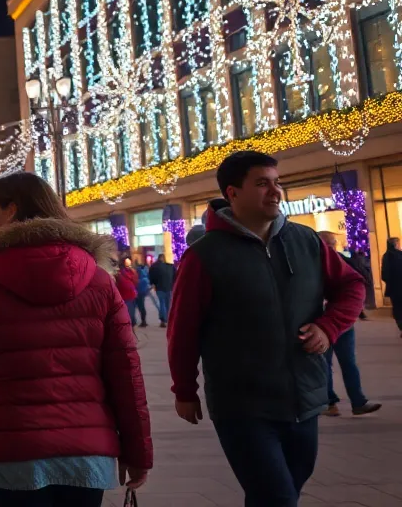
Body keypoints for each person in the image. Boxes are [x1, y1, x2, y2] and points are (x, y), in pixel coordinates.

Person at [0, 172, 151, 506]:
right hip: (86, 449)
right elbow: (126, 373)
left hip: (8, 448)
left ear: (12, 210)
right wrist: (138, 451)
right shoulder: (99, 281)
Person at [169, 151, 365, 506]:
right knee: (276, 497)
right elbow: (182, 329)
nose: (275, 191)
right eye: (262, 183)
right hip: (242, 405)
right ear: (232, 193)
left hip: (304, 397)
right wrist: (184, 388)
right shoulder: (203, 256)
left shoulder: (306, 241)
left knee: (282, 490)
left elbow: (353, 286)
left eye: (277, 182)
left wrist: (329, 327)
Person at [316, 232, 381, 417]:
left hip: (343, 322)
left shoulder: (344, 262)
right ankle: (329, 403)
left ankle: (358, 402)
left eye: (333, 243)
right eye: (327, 243)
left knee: (349, 362)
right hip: (321, 322)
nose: (332, 246)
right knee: (324, 364)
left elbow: (355, 284)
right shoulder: (312, 264)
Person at [382, 237, 402, 336]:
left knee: (397, 308)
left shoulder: (386, 256)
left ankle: (401, 327)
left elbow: (384, 275)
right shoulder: (400, 255)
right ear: (396, 244)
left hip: (393, 288)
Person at [148, 255, 175, 328]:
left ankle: (163, 320)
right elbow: (174, 276)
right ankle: (169, 319)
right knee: (168, 304)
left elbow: (151, 276)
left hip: (159, 288)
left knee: (162, 304)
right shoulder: (170, 266)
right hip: (168, 288)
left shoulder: (154, 267)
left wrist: (152, 283)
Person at [115, 259, 140, 325]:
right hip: (126, 296)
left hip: (129, 296)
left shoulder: (131, 272)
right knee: (129, 312)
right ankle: (131, 323)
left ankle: (132, 323)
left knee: (130, 312)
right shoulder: (120, 274)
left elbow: (135, 282)